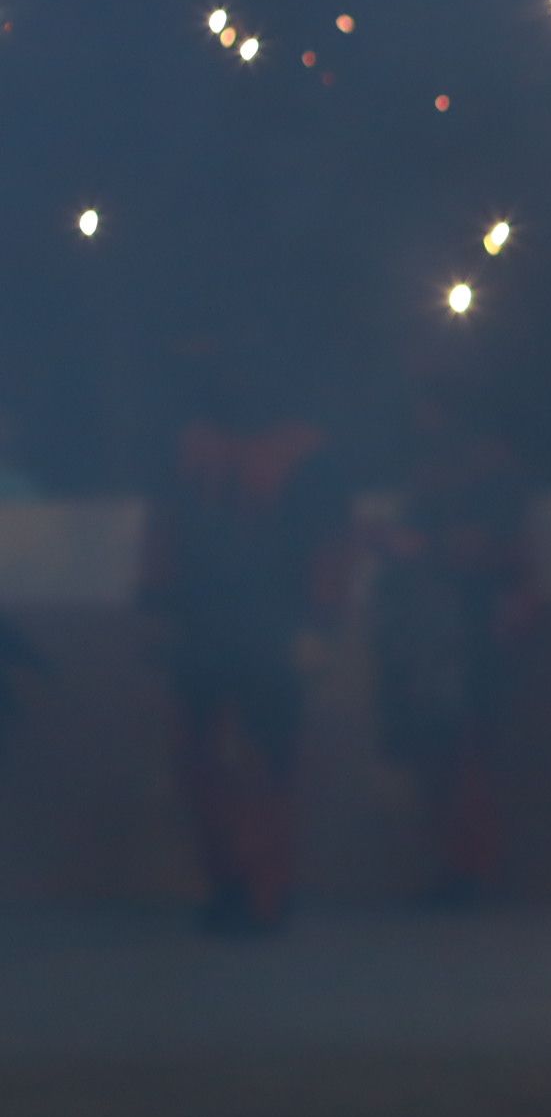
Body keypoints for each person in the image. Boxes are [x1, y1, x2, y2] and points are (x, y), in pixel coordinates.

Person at [138, 353, 351, 933]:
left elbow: (328, 543)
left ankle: (262, 891)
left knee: (268, 767)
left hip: (270, 627)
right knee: (202, 762)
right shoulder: (190, 451)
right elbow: (165, 535)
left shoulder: (306, 456)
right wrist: (157, 612)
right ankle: (232, 886)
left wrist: (319, 625)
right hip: (205, 624)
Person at [371, 383, 536, 902]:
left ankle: (474, 870)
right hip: (426, 629)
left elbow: (495, 551)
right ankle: (451, 865)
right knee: (435, 752)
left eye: (426, 409)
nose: (418, 419)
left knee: (469, 750)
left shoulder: (492, 471)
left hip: (468, 625)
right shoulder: (428, 472)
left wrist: (422, 546)